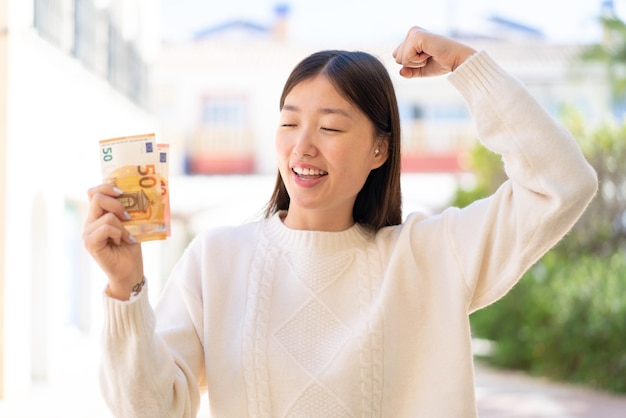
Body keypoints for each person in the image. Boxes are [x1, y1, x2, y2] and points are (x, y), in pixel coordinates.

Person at [83, 27, 597, 417]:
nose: (302, 146)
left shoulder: (433, 255)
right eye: (289, 123)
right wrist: (125, 287)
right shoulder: (215, 259)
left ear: (380, 149)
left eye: (330, 126)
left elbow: (561, 183)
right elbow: (150, 408)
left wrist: (467, 66)